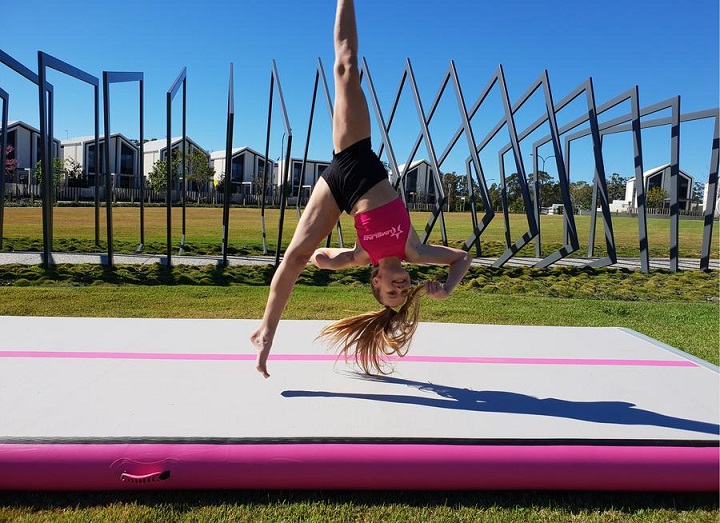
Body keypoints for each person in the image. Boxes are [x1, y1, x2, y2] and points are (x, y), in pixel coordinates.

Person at [250, 0, 472, 378]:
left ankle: (266, 331)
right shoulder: (414, 252)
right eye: (403, 292)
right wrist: (448, 288)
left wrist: (329, 259)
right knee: (347, 68)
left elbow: (320, 257)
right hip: (358, 157)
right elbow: (462, 258)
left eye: (391, 292)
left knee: (294, 257)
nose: (401, 288)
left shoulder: (361, 258)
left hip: (337, 187)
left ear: (376, 282)